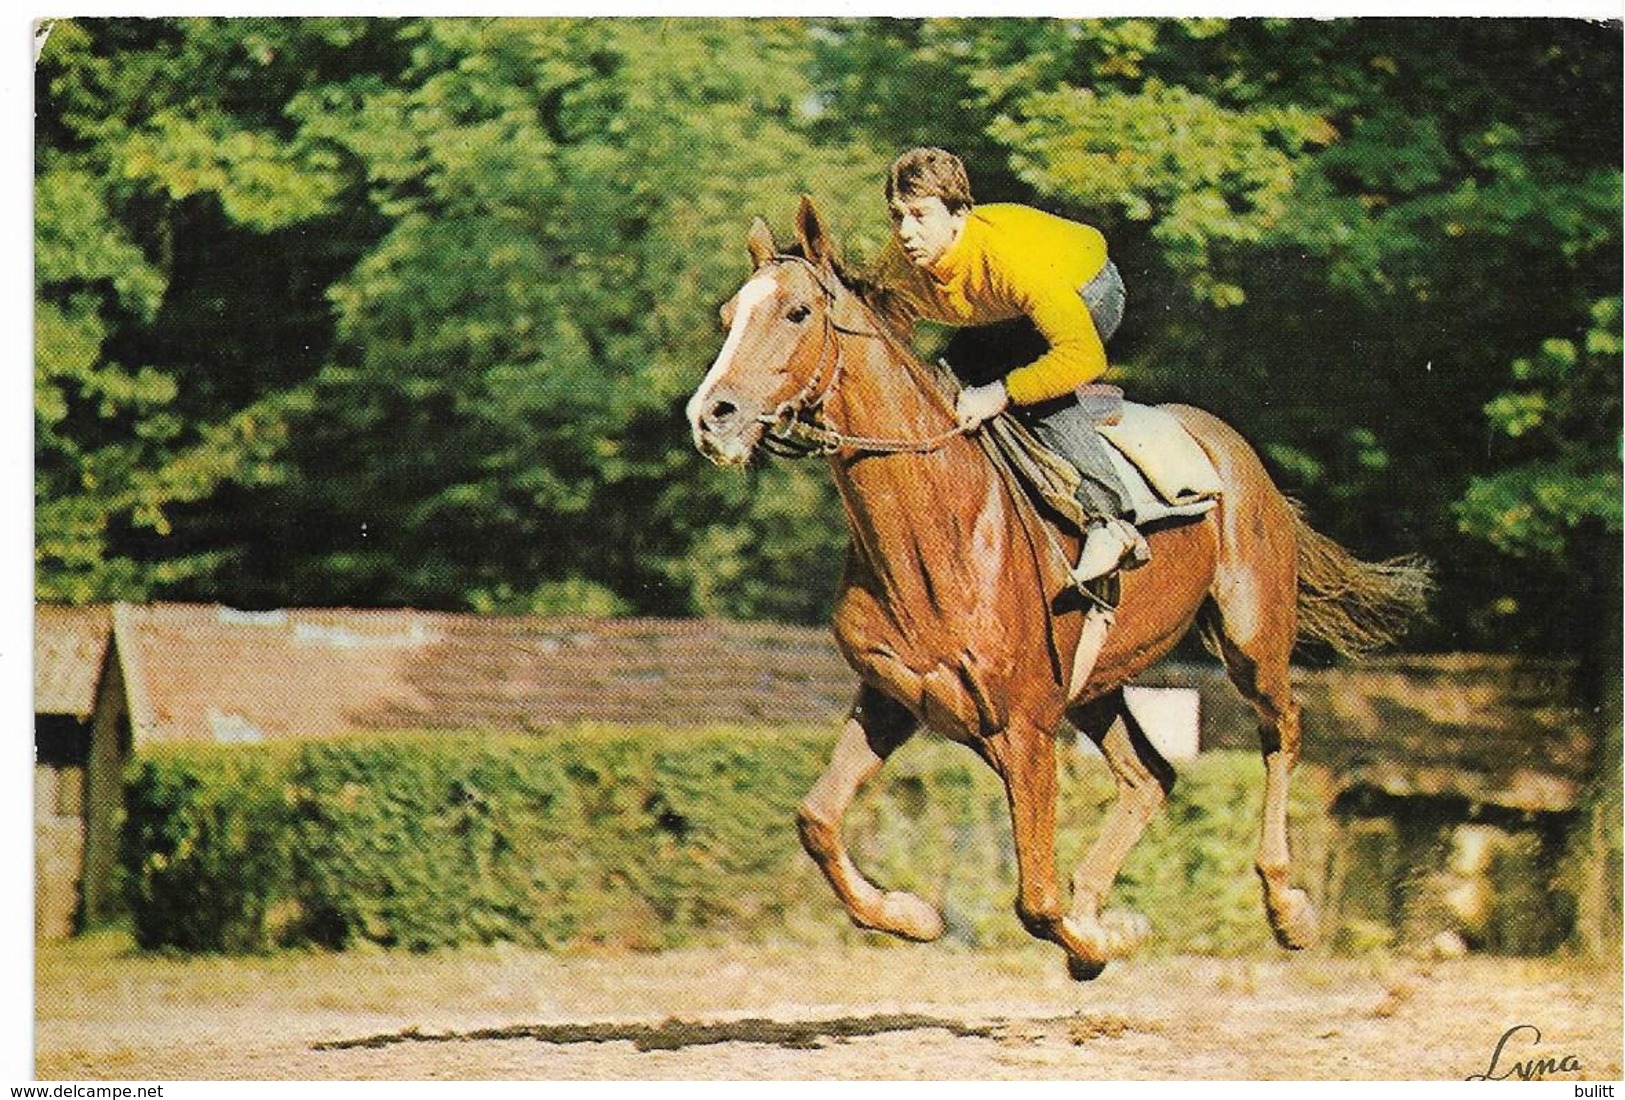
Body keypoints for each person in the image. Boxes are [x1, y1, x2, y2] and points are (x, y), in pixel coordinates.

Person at [873, 146, 1147, 585]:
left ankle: (1109, 522)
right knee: (950, 382)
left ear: (959, 214)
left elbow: (1084, 356)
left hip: (1089, 290)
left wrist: (1000, 393)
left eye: (921, 215)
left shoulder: (1009, 259)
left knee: (1028, 391)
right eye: (897, 216)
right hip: (1007, 313)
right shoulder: (899, 264)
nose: (905, 232)